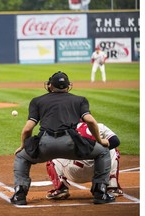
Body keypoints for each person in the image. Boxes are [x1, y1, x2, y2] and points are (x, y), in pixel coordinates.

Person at [10, 71, 115, 205]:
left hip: (45, 144)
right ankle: (100, 192)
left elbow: (27, 129)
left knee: (22, 157)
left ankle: (20, 193)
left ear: (49, 86)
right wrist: (100, 141)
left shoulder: (38, 101)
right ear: (68, 86)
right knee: (102, 152)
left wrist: (23, 146)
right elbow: (91, 121)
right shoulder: (80, 100)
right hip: (71, 144)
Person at [46, 121, 123, 200]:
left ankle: (61, 187)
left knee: (53, 152)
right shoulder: (99, 126)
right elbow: (115, 141)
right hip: (101, 171)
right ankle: (112, 187)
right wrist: (100, 149)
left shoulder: (66, 130)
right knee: (113, 149)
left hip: (75, 172)